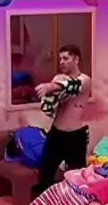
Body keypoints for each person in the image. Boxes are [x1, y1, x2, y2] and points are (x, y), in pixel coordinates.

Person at [34, 45, 91, 194]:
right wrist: (51, 94)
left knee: (77, 178)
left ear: (76, 60)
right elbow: (47, 109)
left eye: (66, 58)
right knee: (45, 175)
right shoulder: (58, 80)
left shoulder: (85, 80)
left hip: (76, 136)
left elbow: (73, 87)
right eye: (60, 59)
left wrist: (51, 86)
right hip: (56, 134)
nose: (62, 62)